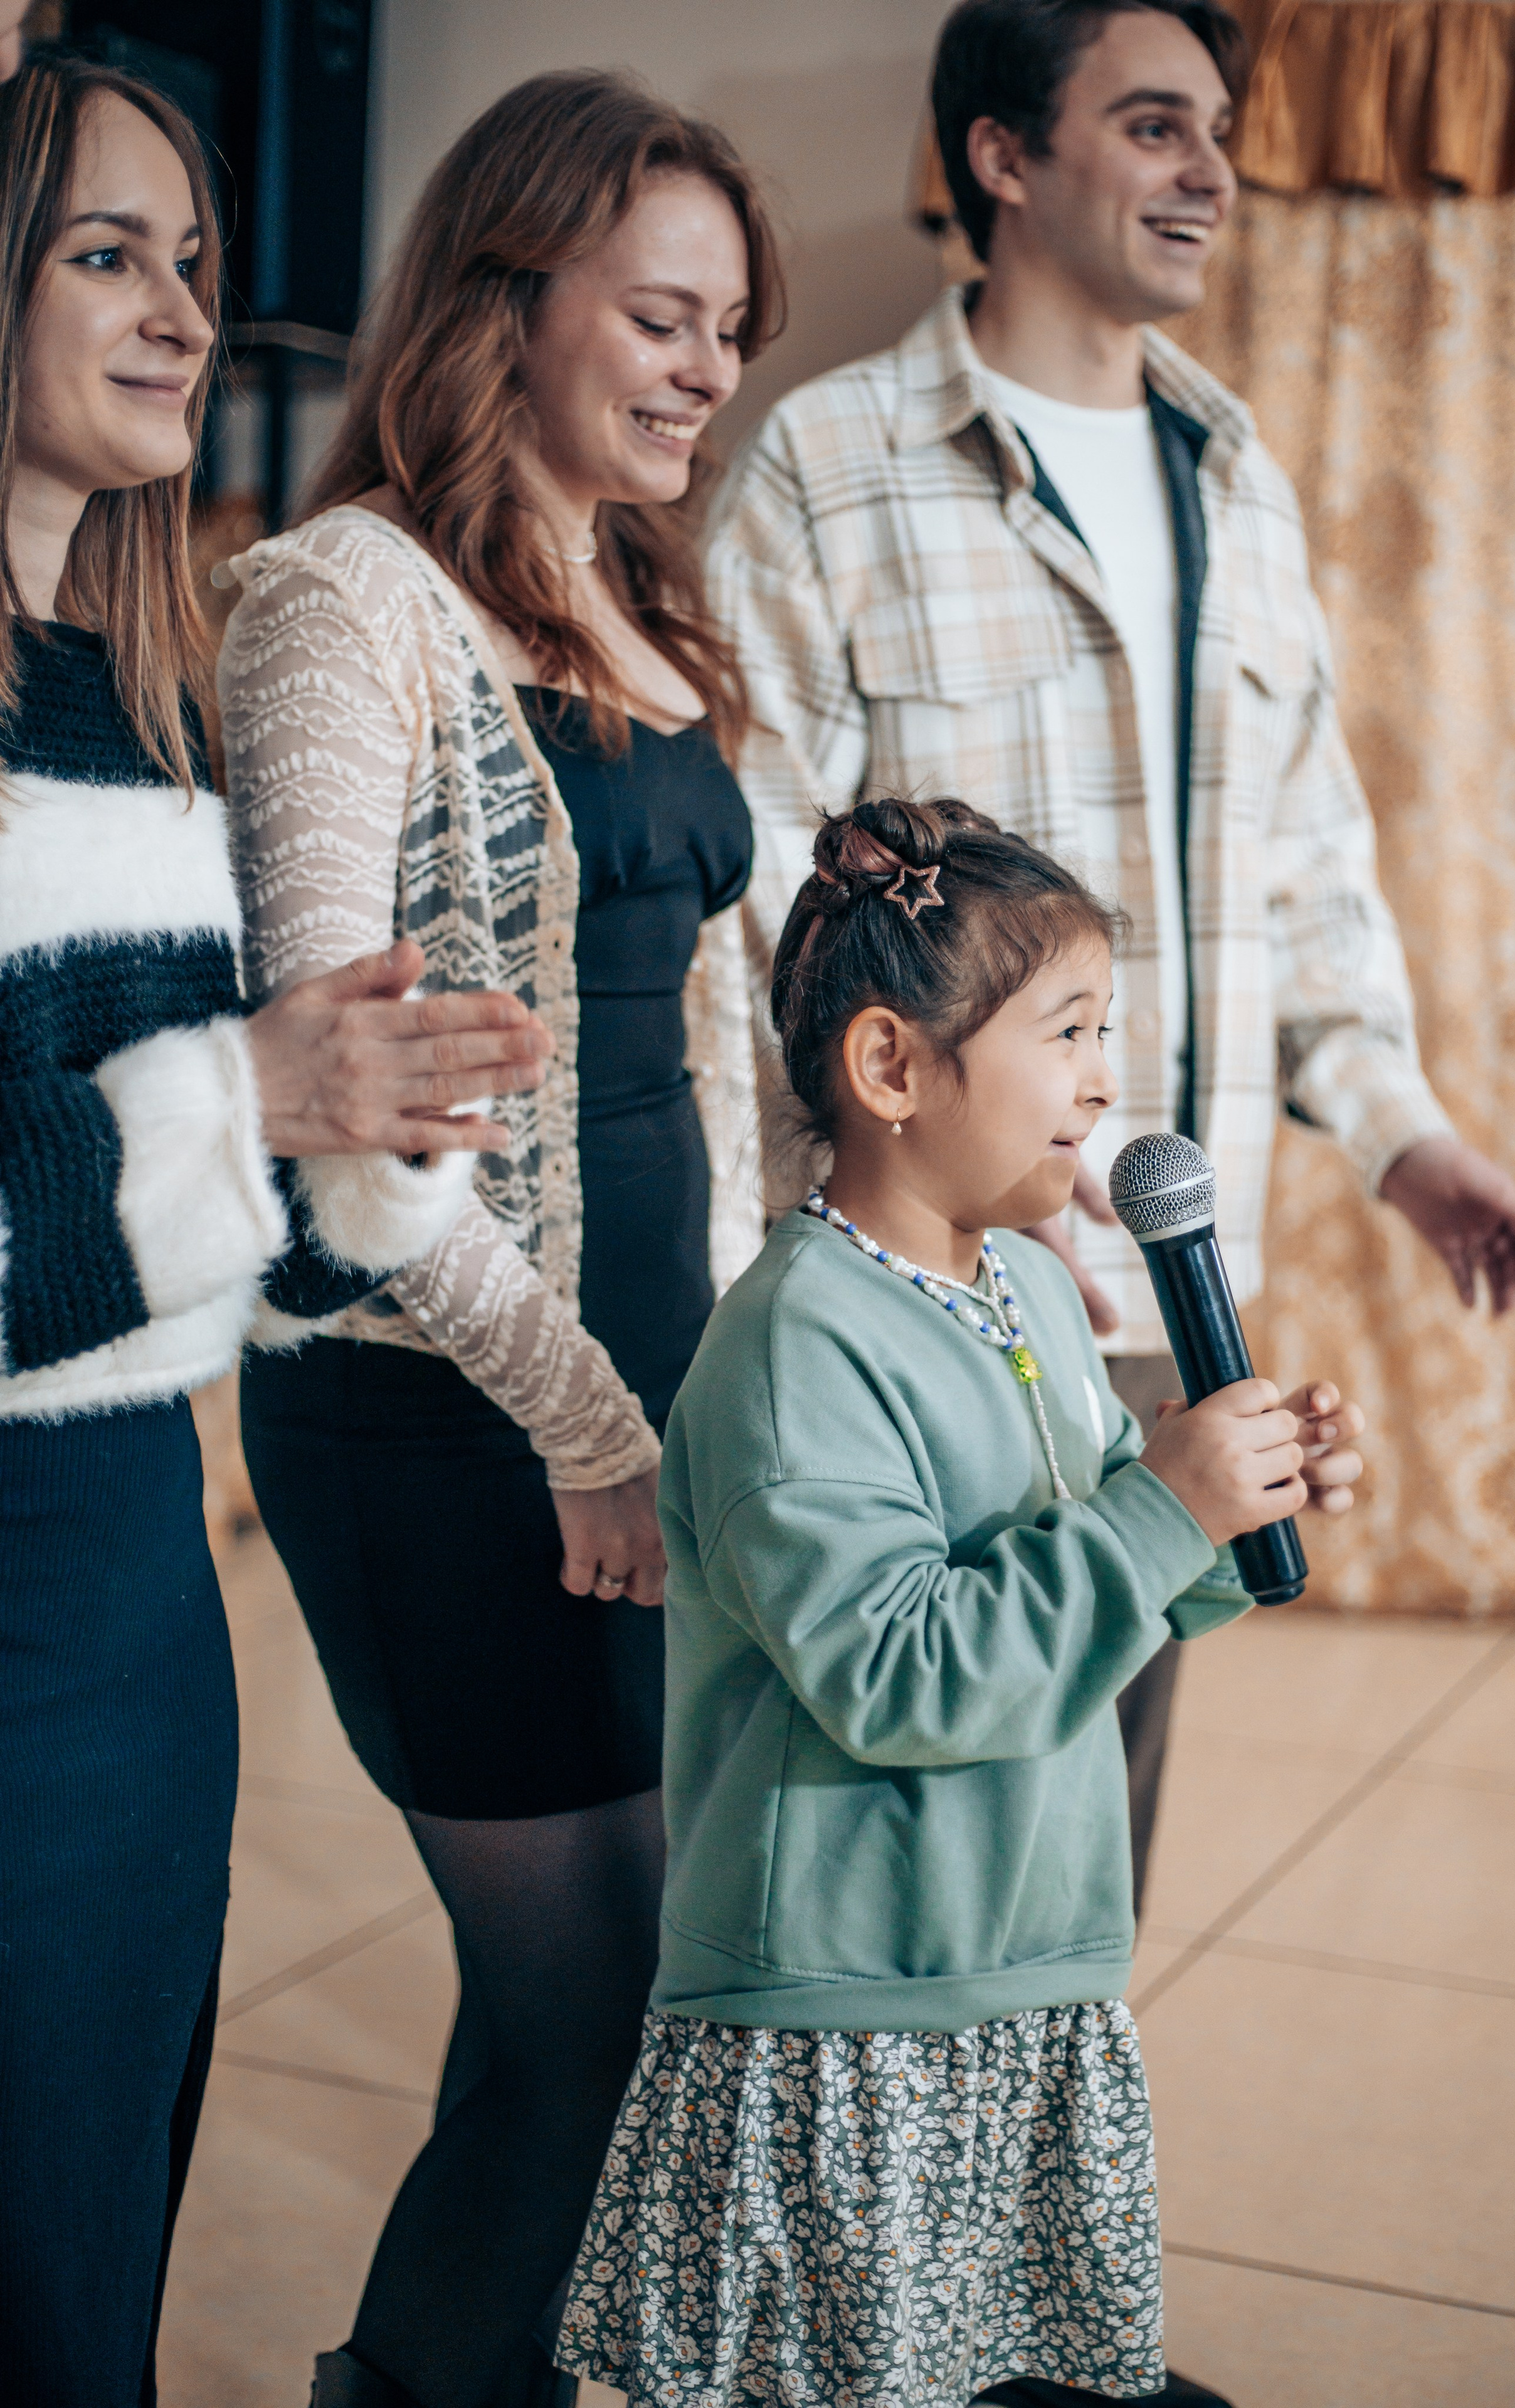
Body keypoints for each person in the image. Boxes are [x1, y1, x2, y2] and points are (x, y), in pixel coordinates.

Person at [705, 0, 1515, 1944]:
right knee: (877, 1833)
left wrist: (1403, 1136)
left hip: (1168, 1271)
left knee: (1082, 1843)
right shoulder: (829, 467)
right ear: (1004, 157)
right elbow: (749, 917)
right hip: (914, 1300)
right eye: (1156, 126)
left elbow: (1306, 857)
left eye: (1220, 131)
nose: (1212, 172)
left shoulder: (1236, 475)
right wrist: (783, 1262)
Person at [218, 70, 784, 2408]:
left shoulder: (648, 594)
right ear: (505, 295)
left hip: (647, 1396)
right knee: (584, 2011)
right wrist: (586, 1425)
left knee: (616, 1999)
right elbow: (345, 1129)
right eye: (661, 316)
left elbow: (710, 1037)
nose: (705, 372)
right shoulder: (336, 601)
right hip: (443, 1418)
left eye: (729, 330)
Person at [556, 795, 1365, 2408]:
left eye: (1103, 1032)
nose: (1101, 1082)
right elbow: (903, 1673)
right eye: (1065, 1033)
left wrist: (1224, 1515)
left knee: (980, 2362)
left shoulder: (1028, 1294)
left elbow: (1096, 1577)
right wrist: (1160, 1505)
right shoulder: (796, 1348)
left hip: (1013, 1965)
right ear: (890, 1067)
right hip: (846, 2007)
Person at [0, 57, 550, 2408]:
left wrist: (377, 1135)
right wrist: (256, 1095)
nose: (182, 315)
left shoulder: (146, 707)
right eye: (105, 255)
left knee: (97, 2226)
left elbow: (225, 1238)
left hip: (136, 1586)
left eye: (194, 264)